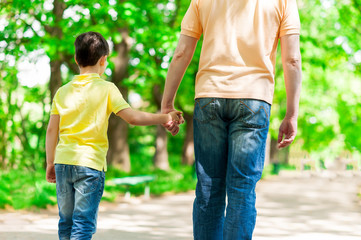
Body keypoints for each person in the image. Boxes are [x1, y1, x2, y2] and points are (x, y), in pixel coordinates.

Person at [161, 0, 302, 239]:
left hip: (209, 97)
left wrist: (167, 104)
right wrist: (291, 114)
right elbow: (292, 60)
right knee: (242, 190)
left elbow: (181, 53)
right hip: (254, 100)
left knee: (209, 188)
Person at [45, 31, 182, 240]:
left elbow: (52, 130)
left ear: (76, 59)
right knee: (83, 225)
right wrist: (165, 118)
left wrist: (50, 162)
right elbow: (133, 118)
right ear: (103, 60)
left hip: (63, 162)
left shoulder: (63, 91)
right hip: (90, 165)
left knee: (66, 222)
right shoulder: (107, 88)